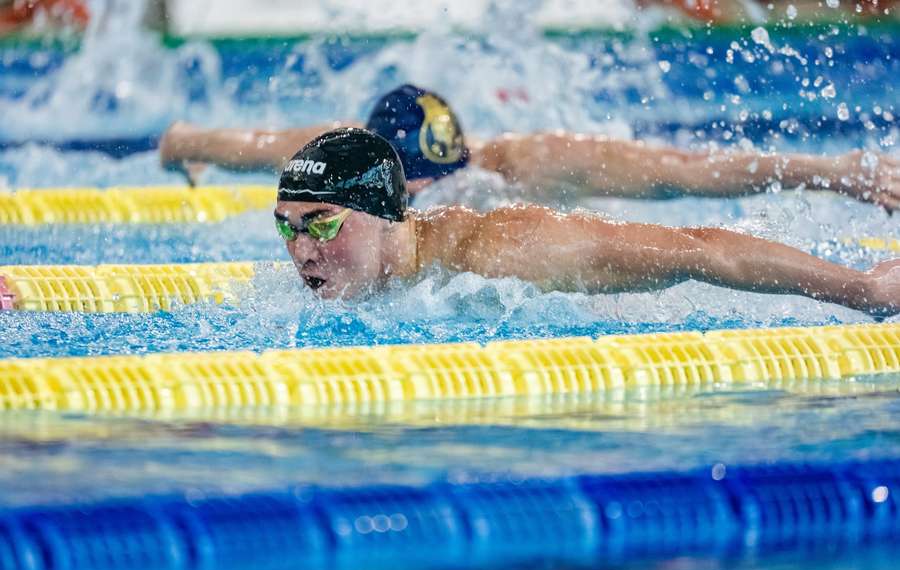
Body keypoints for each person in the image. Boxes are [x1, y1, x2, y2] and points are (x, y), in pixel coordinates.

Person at [273, 127, 899, 316]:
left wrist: (864, 288)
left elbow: (699, 248)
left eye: (322, 225)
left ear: (390, 214)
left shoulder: (505, 252)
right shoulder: (328, 285)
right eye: (287, 227)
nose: (302, 252)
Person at [161, 84, 900, 214]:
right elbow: (197, 138)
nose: (415, 196)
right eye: (405, 181)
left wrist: (834, 172)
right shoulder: (333, 152)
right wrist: (184, 151)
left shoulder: (530, 164)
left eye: (428, 179)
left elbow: (694, 172)